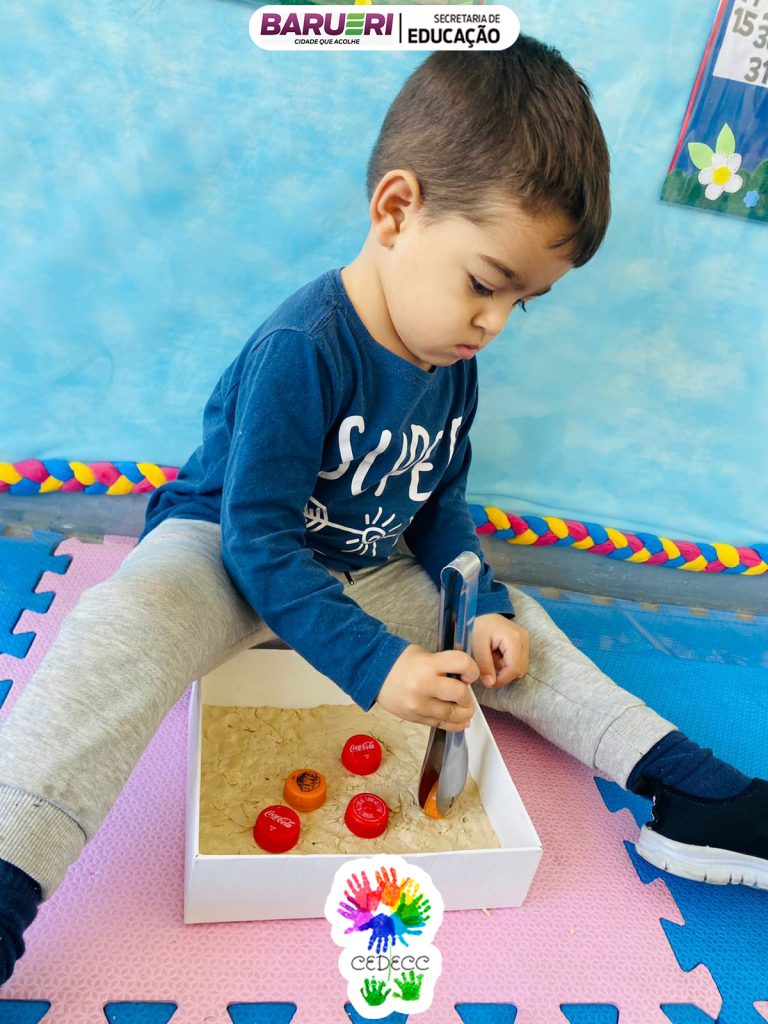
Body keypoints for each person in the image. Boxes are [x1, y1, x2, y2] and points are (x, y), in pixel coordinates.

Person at [1, 37, 766, 987]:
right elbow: (258, 540)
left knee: (525, 635)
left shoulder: (453, 364)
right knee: (121, 626)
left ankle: (696, 789)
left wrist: (482, 603)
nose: (493, 323)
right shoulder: (302, 347)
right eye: (485, 283)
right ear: (397, 211)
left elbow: (440, 507)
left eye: (521, 303)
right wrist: (378, 666)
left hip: (365, 566)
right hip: (229, 552)